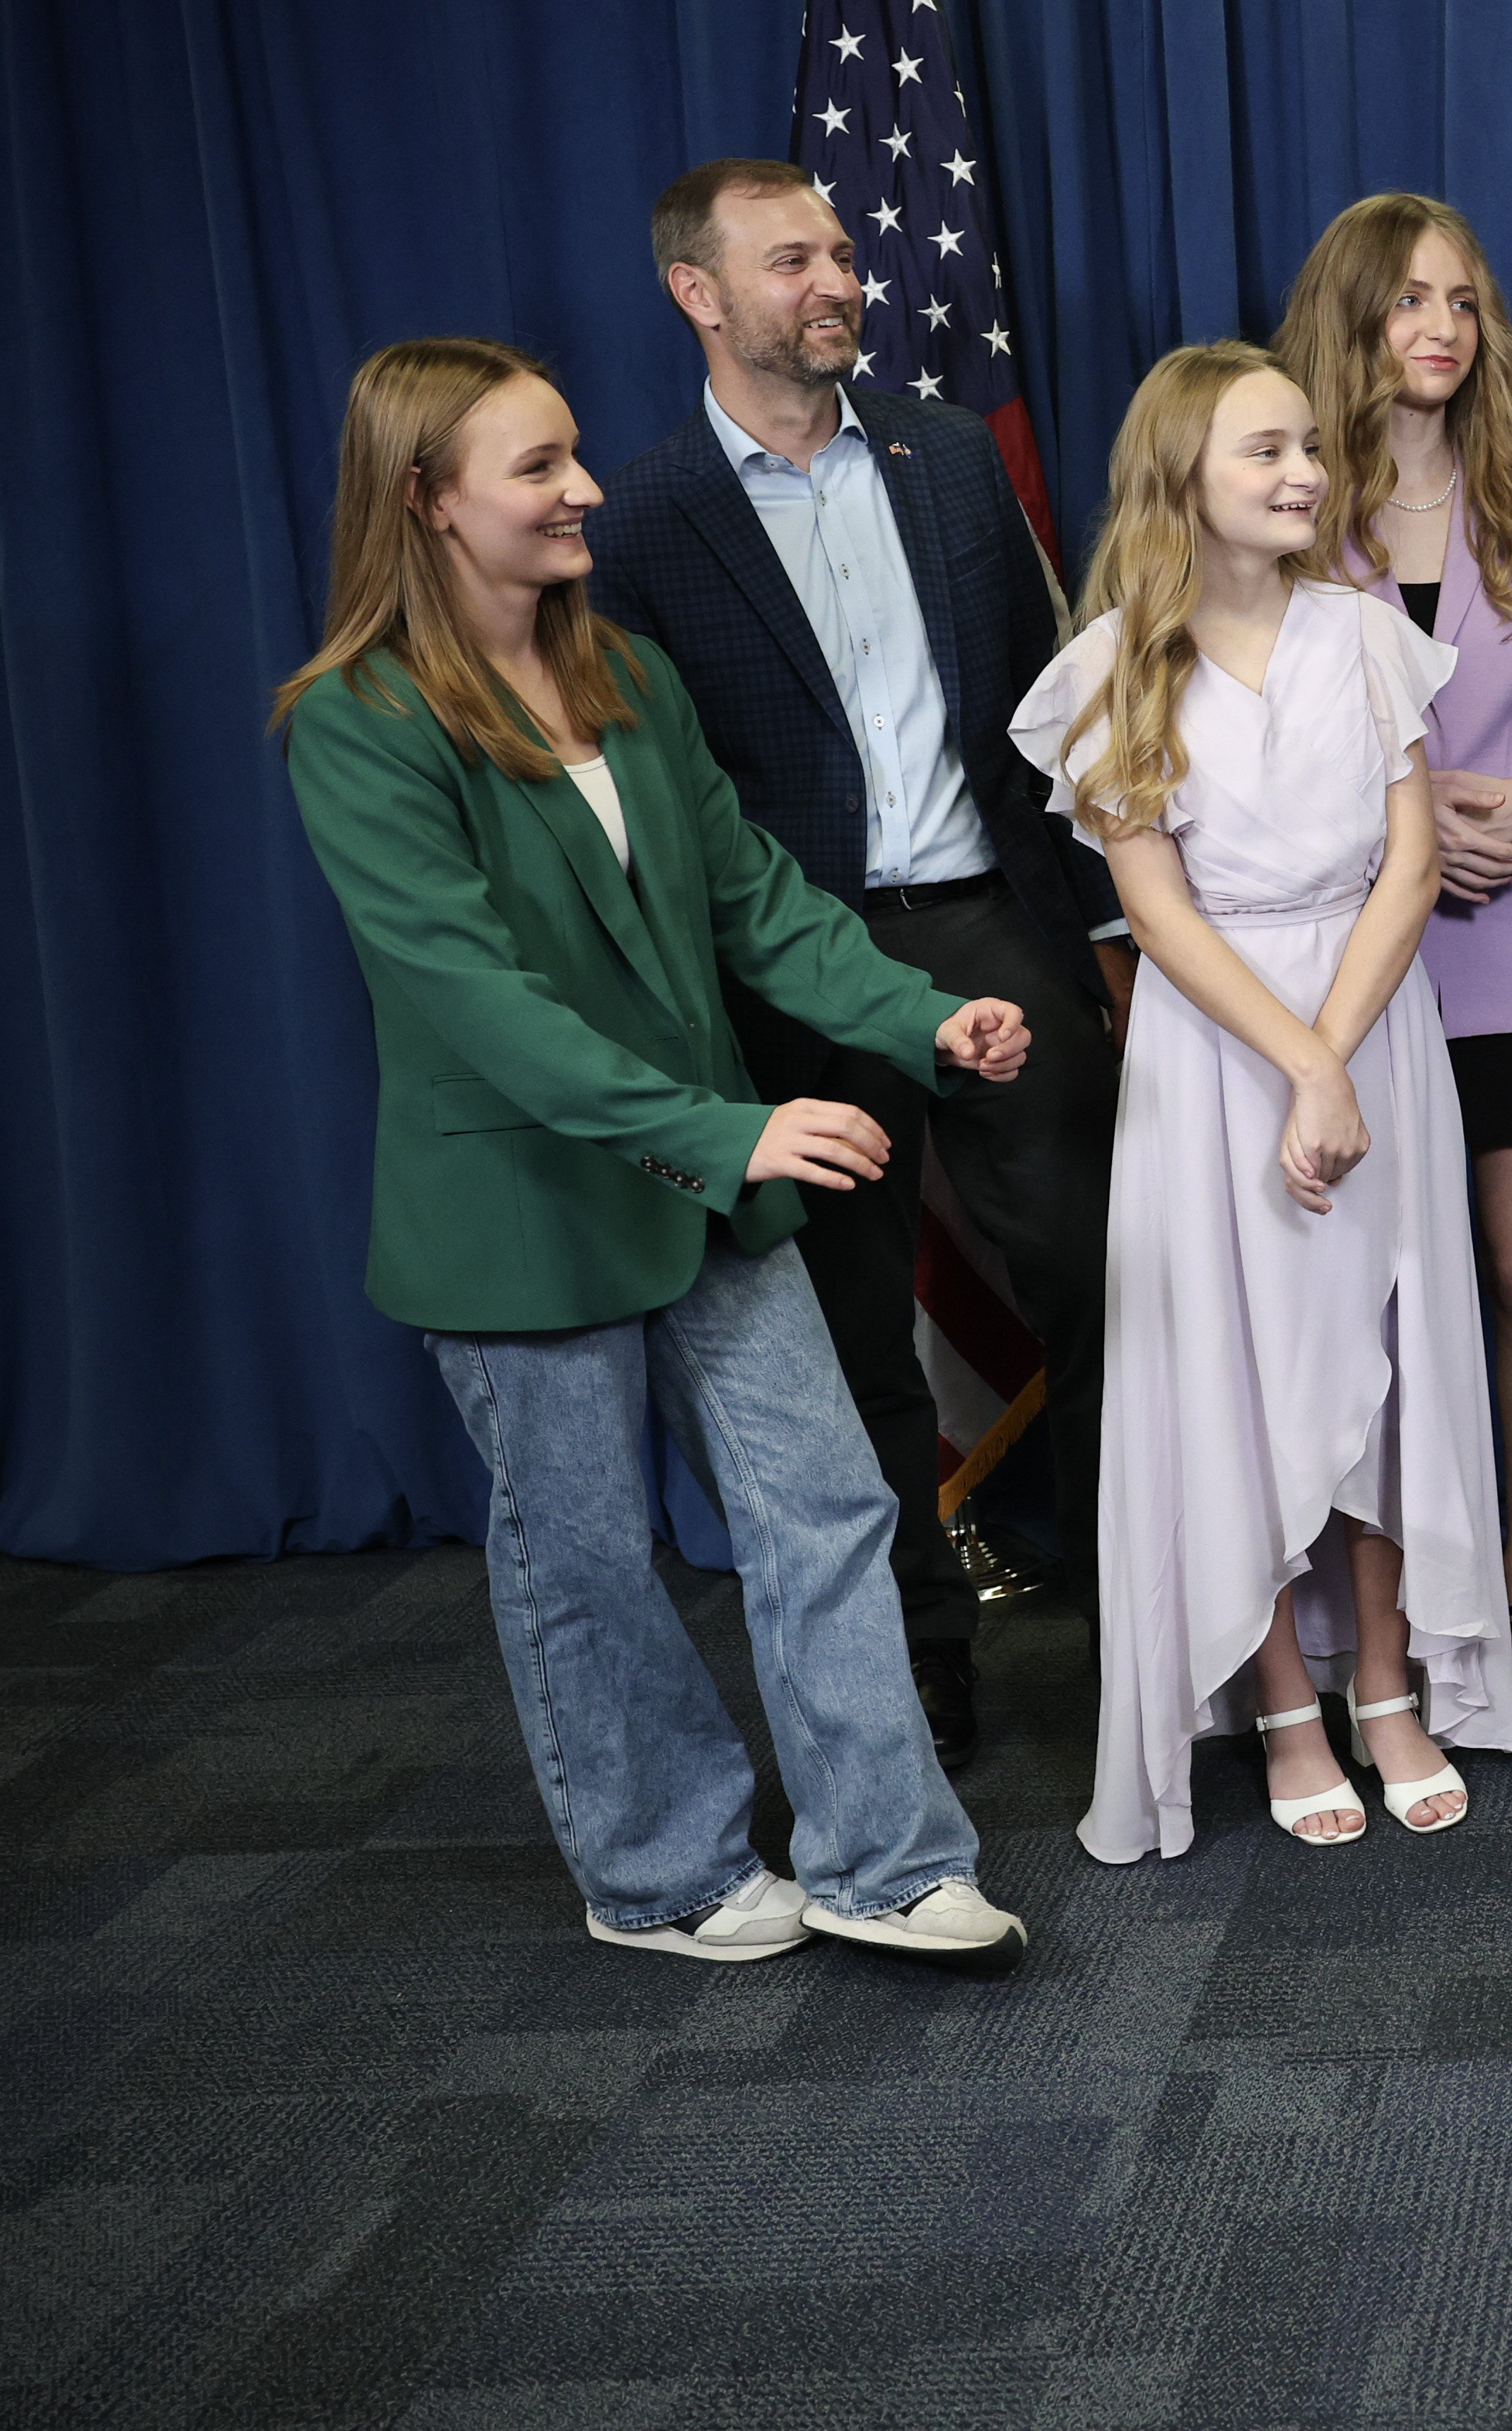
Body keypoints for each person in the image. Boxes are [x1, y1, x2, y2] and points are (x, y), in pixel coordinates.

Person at [274, 337, 1033, 1974]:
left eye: (574, 456)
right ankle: (664, 1871)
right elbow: (482, 1005)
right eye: (539, 467)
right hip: (524, 1208)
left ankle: (884, 1859)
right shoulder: (356, 723)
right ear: (427, 498)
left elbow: (753, 898)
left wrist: (921, 1017)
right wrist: (735, 1125)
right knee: (587, 1559)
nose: (585, 490)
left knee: (827, 1503)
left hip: (708, 1187)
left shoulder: (627, 669)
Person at [583, 157, 1129, 1769]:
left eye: (840, 250)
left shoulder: (952, 459)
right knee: (851, 1331)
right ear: (699, 291)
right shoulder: (645, 523)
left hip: (992, 926)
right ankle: (920, 1655)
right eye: (789, 259)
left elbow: (1055, 726)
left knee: (1109, 1286)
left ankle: (1135, 1632)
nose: (836, 280)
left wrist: (1099, 930)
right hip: (798, 965)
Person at [1019, 342, 1512, 1864]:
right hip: (1217, 1050)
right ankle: (1284, 1697)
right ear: (1184, 476)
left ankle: (1387, 1679)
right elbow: (1156, 913)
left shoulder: (1370, 637)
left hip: (1380, 1025)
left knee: (1386, 1344)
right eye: (1266, 451)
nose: (1306, 471)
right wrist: (1305, 1066)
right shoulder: (1113, 668)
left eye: (1309, 445)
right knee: (1241, 1370)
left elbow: (1413, 863)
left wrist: (1346, 1048)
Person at [1272, 194, 1512, 1720]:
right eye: (1411, 299)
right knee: (1369, 1292)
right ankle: (1388, 1611)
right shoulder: (1281, 505)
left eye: (1465, 301)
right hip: (1353, 958)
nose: (1441, 327)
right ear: (1353, 320)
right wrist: (1410, 833)